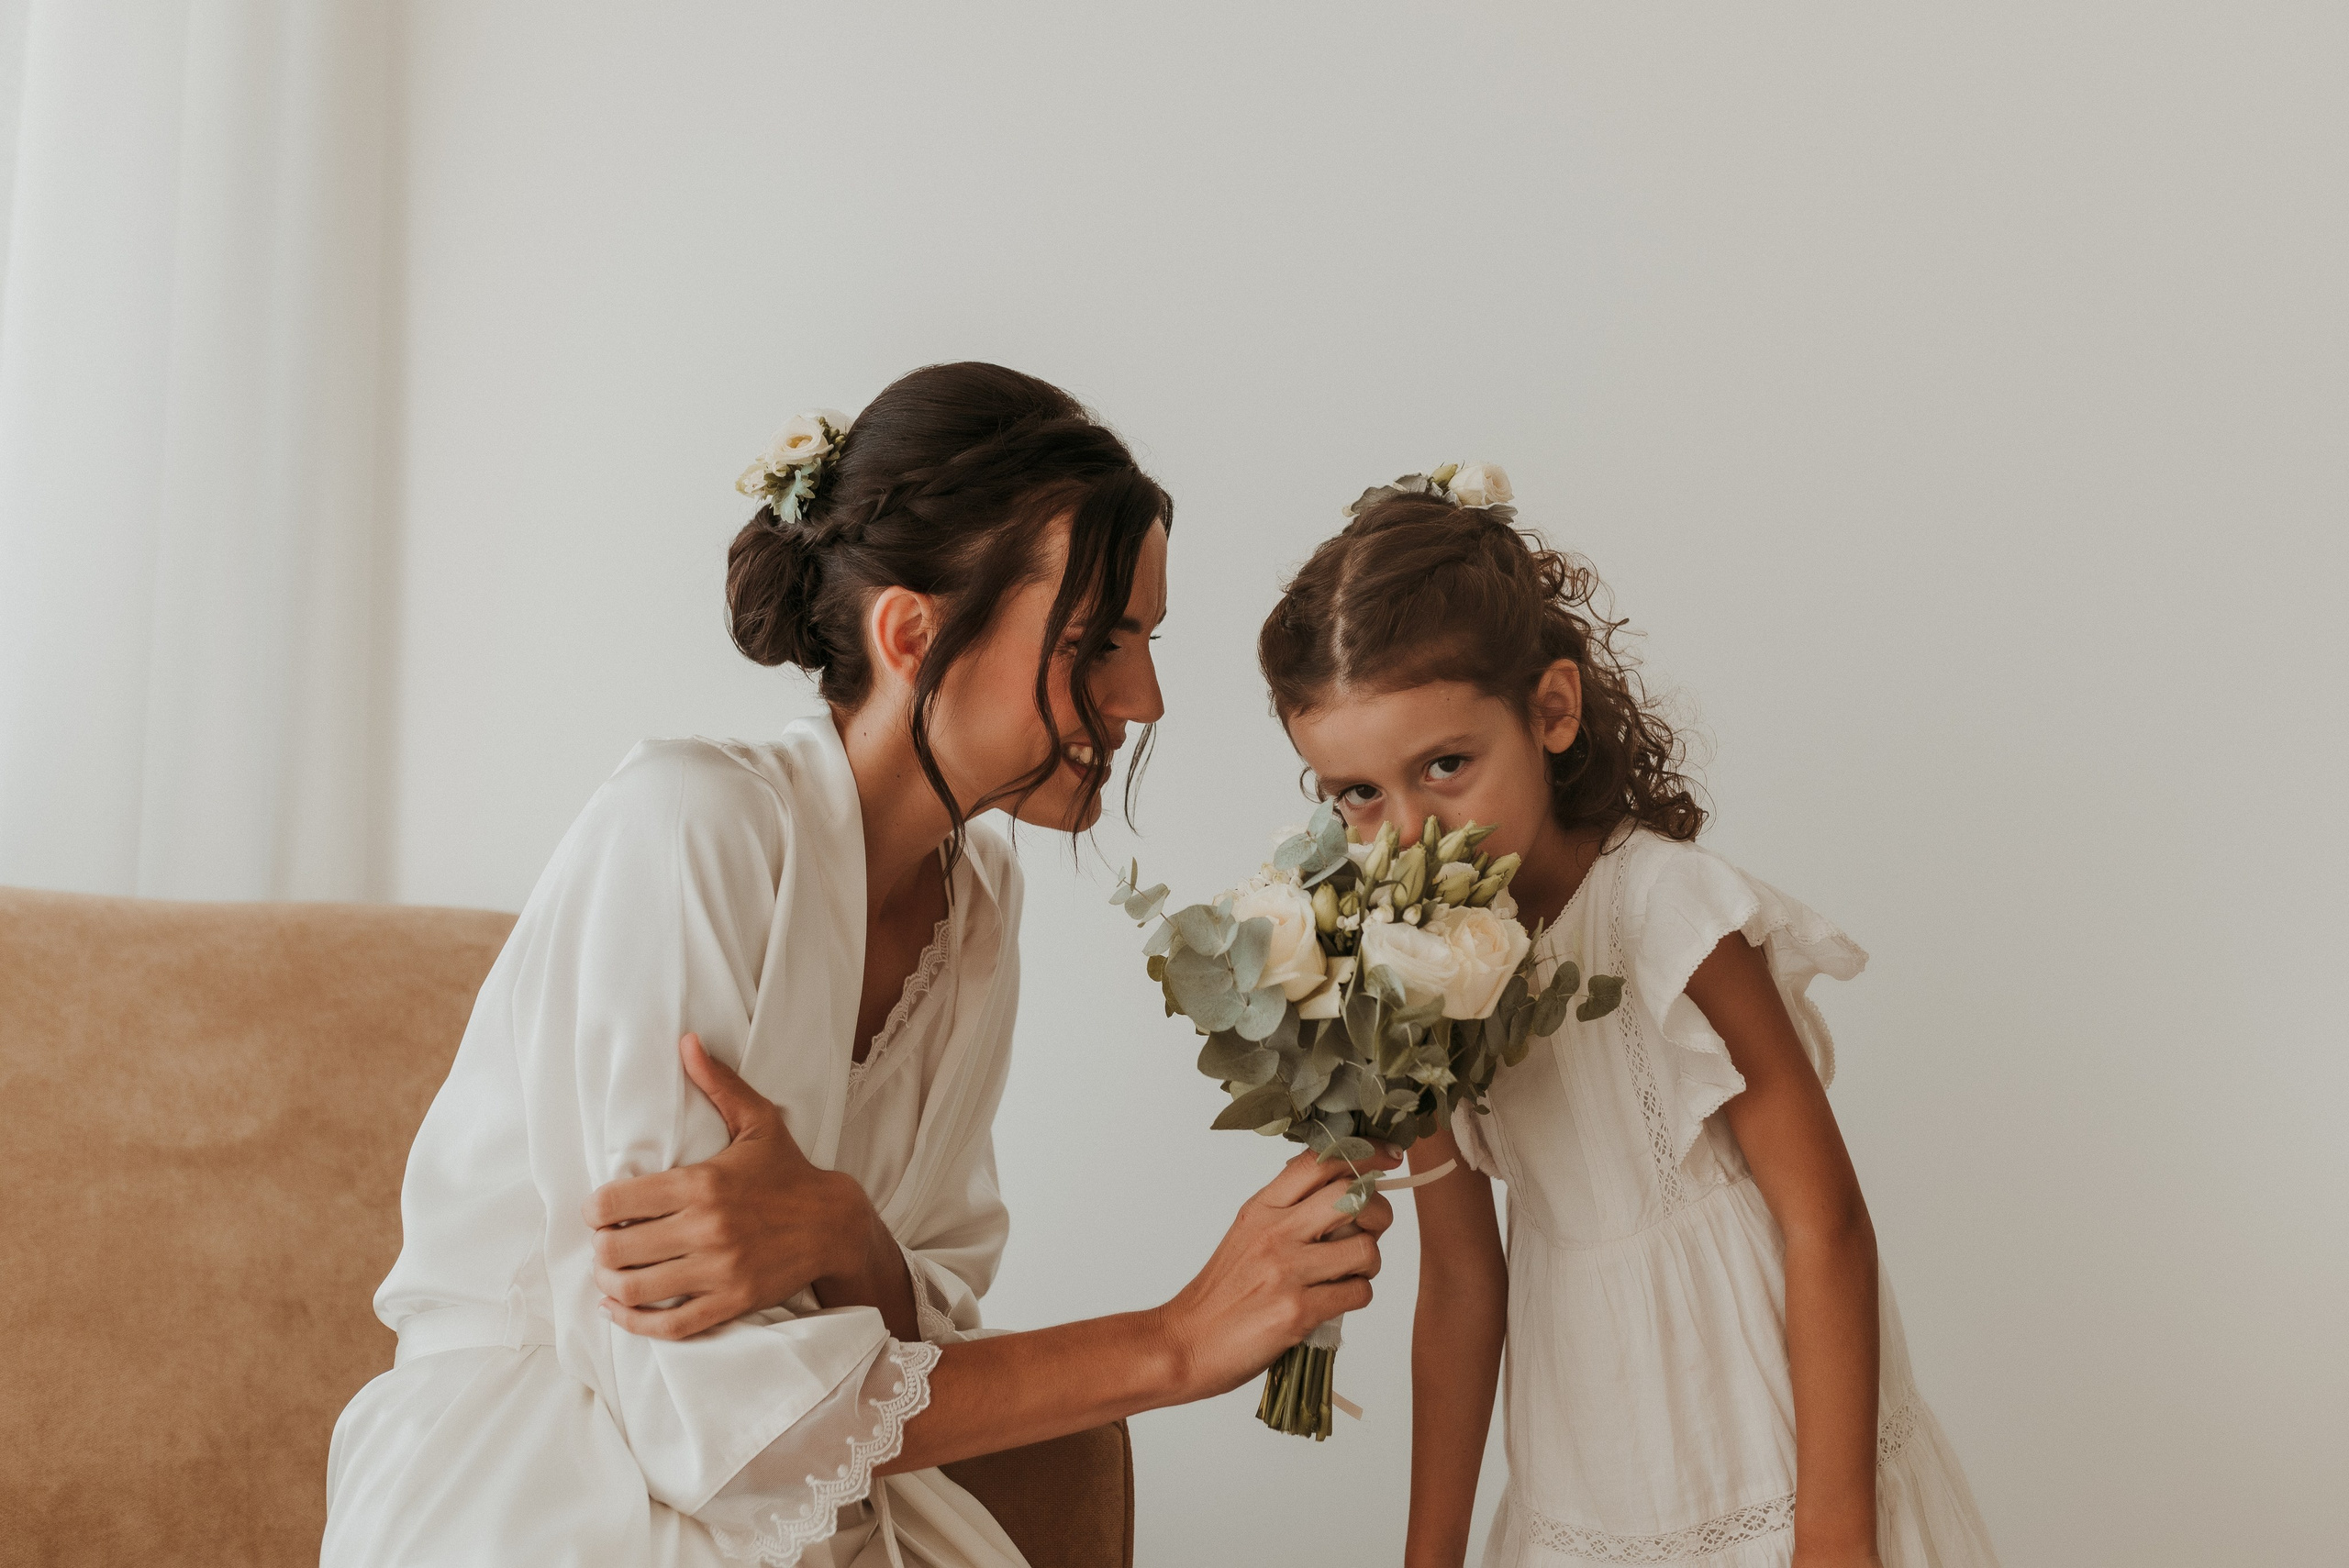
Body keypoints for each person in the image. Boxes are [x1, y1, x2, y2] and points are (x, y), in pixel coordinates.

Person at [323, 362, 1395, 1568]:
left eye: (1146, 639)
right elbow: (686, 1400)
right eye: (1100, 642)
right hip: (545, 1492)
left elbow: (913, 1324)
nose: (1142, 697)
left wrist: (846, 1231)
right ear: (909, 632)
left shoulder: (978, 909)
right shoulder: (690, 830)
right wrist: (1179, 1341)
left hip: (808, 1502)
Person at [1252, 470, 2002, 1568]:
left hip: (1766, 1448)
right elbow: (1461, 1281)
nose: (1406, 831)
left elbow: (1824, 1219)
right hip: (1587, 1469)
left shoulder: (1667, 913)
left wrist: (1833, 1533)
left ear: (1551, 710)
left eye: (1446, 764)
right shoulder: (1402, 974)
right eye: (1358, 793)